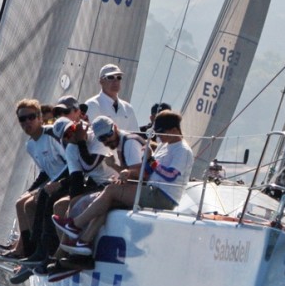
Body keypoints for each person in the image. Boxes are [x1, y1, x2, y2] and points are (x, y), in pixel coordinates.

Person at [52, 110, 192, 257]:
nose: (158, 136)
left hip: (163, 196)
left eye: (161, 132)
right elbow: (149, 171)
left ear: (174, 129)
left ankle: (75, 225)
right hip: (152, 190)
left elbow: (171, 175)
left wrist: (151, 161)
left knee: (111, 191)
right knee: (108, 200)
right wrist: (125, 171)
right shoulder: (166, 145)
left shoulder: (183, 150)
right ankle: (84, 242)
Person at [2, 99, 68, 260]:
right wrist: (32, 190)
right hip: (52, 182)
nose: (27, 122)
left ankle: (45, 251)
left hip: (68, 180)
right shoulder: (30, 145)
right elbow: (45, 172)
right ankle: (27, 250)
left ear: (40, 118)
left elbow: (70, 163)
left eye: (31, 117)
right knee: (21, 202)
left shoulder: (52, 134)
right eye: (22, 119)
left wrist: (51, 186)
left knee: (33, 203)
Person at [84, 63, 138, 133]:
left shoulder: (128, 108)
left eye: (119, 77)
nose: (116, 81)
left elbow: (135, 134)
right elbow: (90, 134)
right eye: (110, 77)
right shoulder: (91, 105)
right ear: (101, 81)